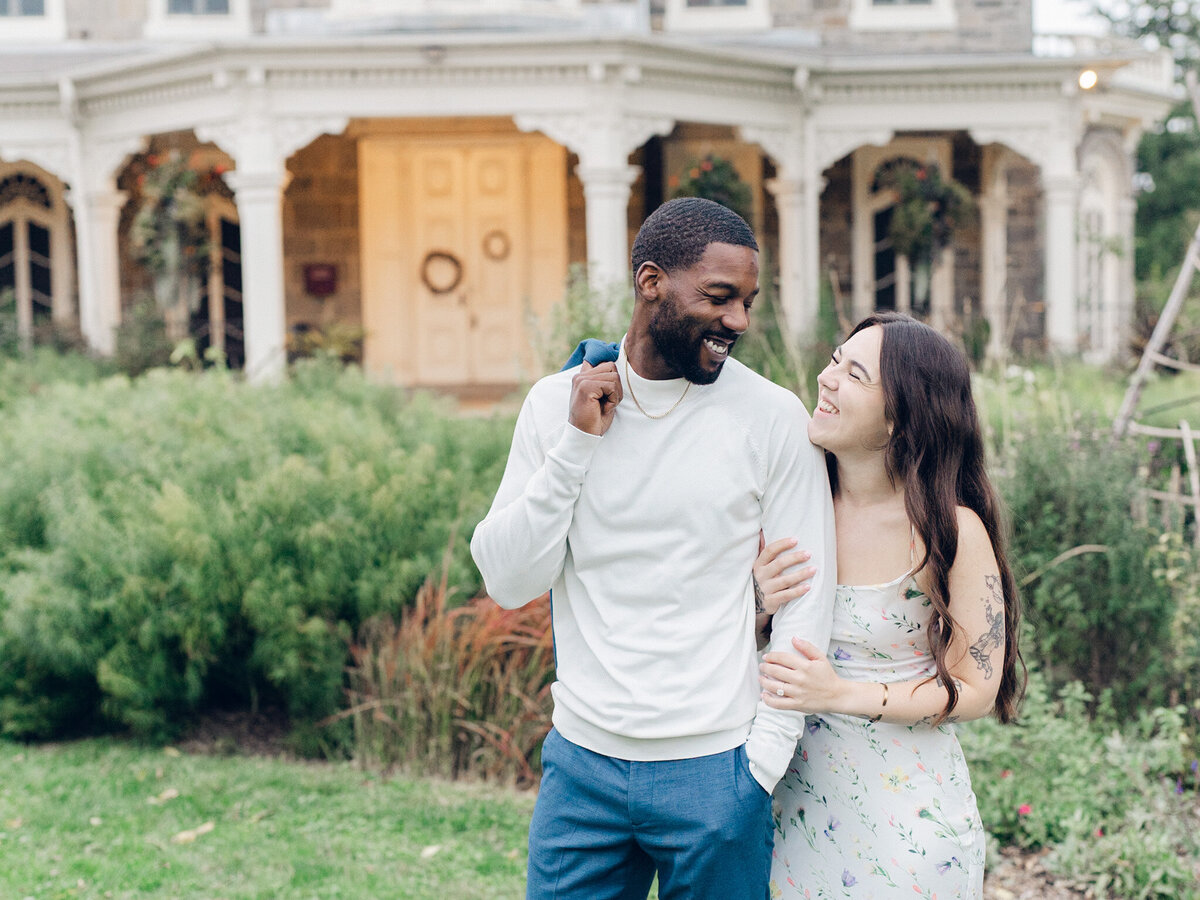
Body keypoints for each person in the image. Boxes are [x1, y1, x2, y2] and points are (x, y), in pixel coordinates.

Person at [470, 197, 836, 900]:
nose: (739, 321)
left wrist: (761, 762)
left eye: (748, 302)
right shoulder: (558, 405)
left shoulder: (771, 417)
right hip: (581, 769)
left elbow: (807, 596)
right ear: (650, 283)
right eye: (720, 298)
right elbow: (509, 579)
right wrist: (576, 446)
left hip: (716, 769)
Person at [752, 312, 1024, 899]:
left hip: (905, 825)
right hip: (786, 807)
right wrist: (756, 604)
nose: (826, 380)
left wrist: (838, 694)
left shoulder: (950, 530)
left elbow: (976, 688)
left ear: (904, 413)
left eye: (854, 374)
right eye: (834, 361)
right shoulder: (790, 503)